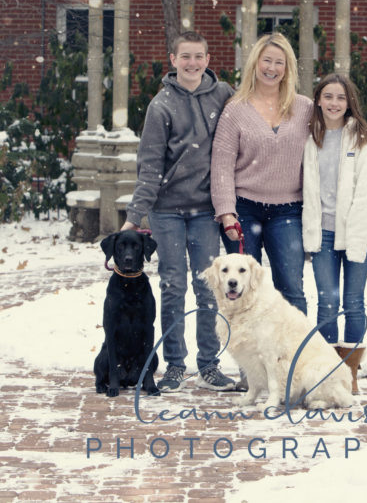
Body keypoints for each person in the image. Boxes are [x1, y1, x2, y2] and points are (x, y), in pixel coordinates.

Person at [120, 31, 237, 393]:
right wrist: (134, 216)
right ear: (173, 60)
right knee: (172, 288)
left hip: (206, 211)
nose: (192, 63)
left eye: (198, 56)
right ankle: (173, 365)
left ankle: (210, 364)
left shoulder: (224, 95)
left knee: (208, 289)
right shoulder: (161, 106)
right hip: (167, 212)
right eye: (185, 57)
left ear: (207, 57)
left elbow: (256, 125)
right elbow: (150, 165)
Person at [210, 33, 313, 314]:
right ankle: (251, 356)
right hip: (243, 210)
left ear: (287, 67)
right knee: (242, 291)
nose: (272, 67)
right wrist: (226, 212)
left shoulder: (304, 108)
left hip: (288, 211)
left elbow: (337, 132)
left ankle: (295, 353)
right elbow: (221, 165)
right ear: (255, 63)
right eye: (266, 60)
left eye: (279, 62)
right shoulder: (235, 110)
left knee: (291, 288)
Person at [301, 74, 367, 393]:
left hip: (355, 232)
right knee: (326, 302)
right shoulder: (309, 136)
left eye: (341, 98)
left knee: (353, 302)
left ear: (349, 103)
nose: (334, 103)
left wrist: (358, 234)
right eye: (328, 96)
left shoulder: (363, 138)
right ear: (318, 100)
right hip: (321, 232)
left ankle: (349, 373)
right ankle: (327, 372)